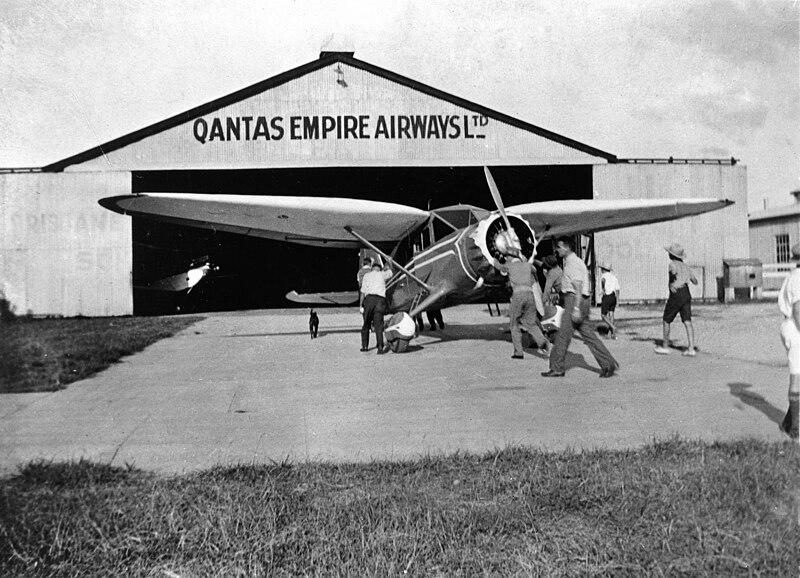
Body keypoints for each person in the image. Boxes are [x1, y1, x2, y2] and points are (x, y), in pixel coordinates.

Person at [542, 237, 618, 378]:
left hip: (574, 301)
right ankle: (608, 364)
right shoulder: (573, 262)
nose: (556, 250)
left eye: (559, 247)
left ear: (566, 248)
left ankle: (557, 367)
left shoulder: (573, 264)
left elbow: (577, 287)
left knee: (562, 336)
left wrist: (575, 308)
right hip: (579, 301)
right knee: (589, 336)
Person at [499, 250, 550, 359]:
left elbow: (499, 267)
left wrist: (493, 259)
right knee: (530, 322)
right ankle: (542, 341)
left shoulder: (509, 265)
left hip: (517, 295)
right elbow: (535, 269)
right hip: (529, 295)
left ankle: (519, 352)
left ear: (509, 257)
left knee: (514, 324)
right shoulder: (527, 265)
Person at [654, 243, 698, 356]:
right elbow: (695, 281)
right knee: (687, 321)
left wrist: (671, 285)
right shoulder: (686, 266)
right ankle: (691, 348)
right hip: (686, 293)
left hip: (677, 293)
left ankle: (665, 346)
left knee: (666, 319)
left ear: (672, 255)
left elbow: (672, 278)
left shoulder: (672, 265)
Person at [777, 243, 800, 443]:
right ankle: (795, 428)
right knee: (796, 376)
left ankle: (788, 421)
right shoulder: (797, 278)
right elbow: (799, 310)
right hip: (796, 327)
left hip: (794, 326)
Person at [360, 261, 393, 354]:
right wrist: (389, 262)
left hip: (369, 300)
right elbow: (391, 272)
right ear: (379, 269)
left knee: (366, 323)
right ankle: (380, 347)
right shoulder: (382, 274)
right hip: (380, 301)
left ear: (372, 268)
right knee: (378, 326)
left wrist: (360, 305)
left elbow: (363, 292)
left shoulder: (366, 276)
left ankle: (365, 346)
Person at [598, 262, 620, 339]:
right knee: (611, 314)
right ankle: (611, 334)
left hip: (607, 296)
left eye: (601, 268)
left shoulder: (603, 276)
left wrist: (603, 290)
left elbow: (603, 284)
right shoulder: (614, 277)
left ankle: (613, 327)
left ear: (604, 269)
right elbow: (617, 289)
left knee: (603, 315)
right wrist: (617, 300)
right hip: (613, 296)